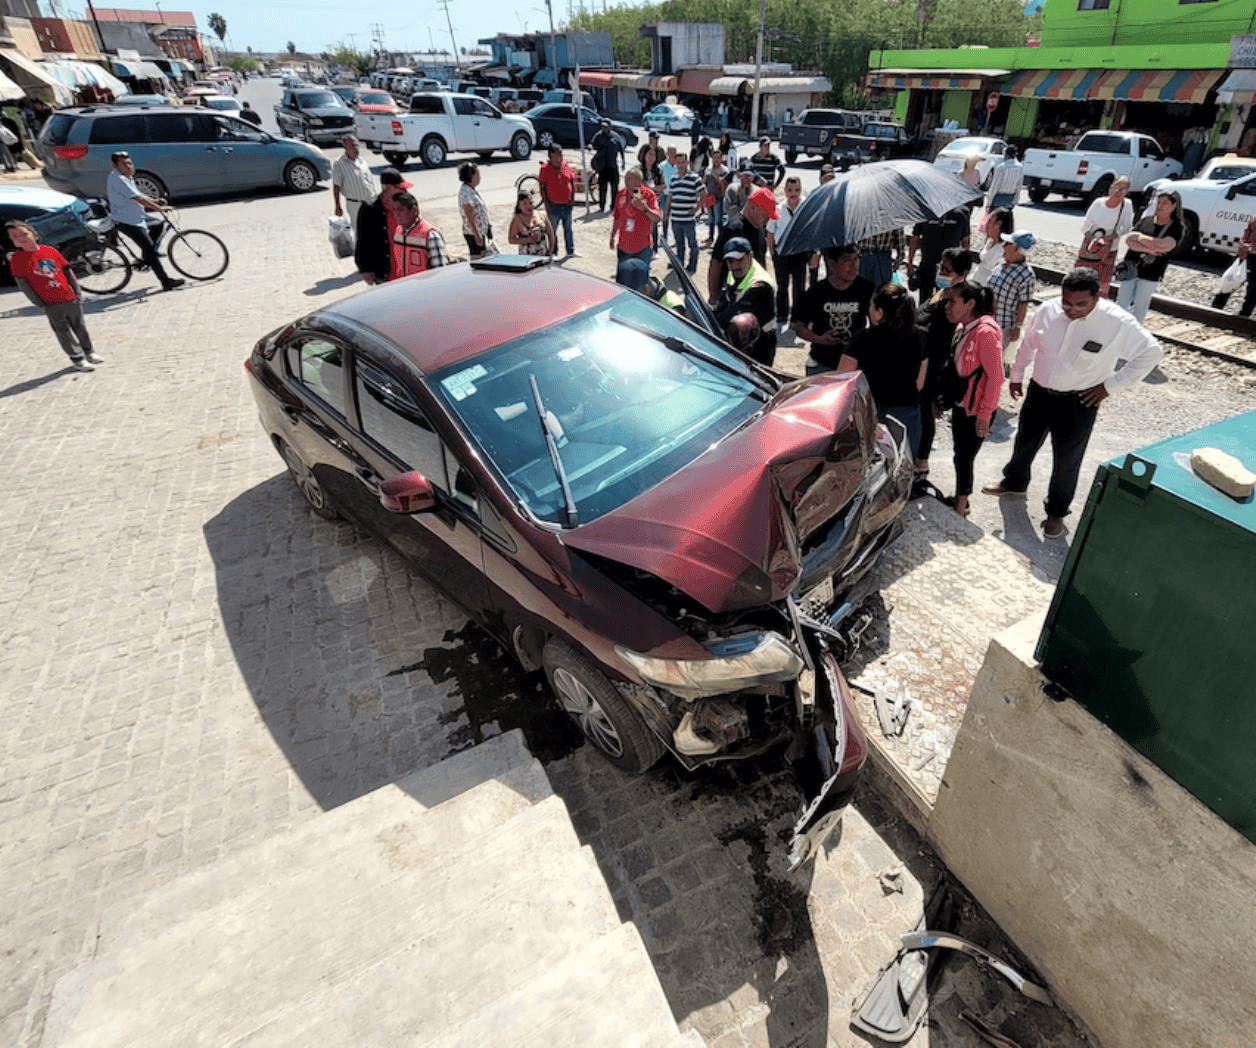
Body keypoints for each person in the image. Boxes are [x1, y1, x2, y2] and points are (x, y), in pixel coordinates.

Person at [984, 267, 1163, 538]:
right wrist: (1018, 375)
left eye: (1081, 304)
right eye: (1067, 302)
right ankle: (1014, 483)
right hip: (1039, 393)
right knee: (1025, 442)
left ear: (1098, 296)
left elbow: (1152, 353)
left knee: (1067, 461)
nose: (1072, 309)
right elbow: (1029, 343)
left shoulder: (1118, 322)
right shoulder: (1048, 310)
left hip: (1079, 401)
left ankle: (1056, 514)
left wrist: (1110, 386)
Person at [838, 281, 928, 457]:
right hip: (906, 416)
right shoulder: (921, 336)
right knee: (902, 470)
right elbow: (920, 383)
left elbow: (842, 380)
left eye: (872, 304)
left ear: (879, 312)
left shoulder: (863, 338)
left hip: (870, 415)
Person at [916, 247, 980, 475]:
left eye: (947, 269)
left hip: (935, 367)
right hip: (922, 362)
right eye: (941, 267)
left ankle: (921, 462)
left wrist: (941, 386)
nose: (941, 272)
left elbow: (951, 344)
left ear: (962, 274)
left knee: (925, 414)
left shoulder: (957, 301)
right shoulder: (941, 292)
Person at [6, 220, 102, 372]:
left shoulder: (49, 251)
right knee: (62, 331)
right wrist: (39, 303)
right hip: (50, 302)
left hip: (69, 297)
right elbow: (23, 284)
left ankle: (89, 352)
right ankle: (77, 358)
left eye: (24, 234)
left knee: (80, 326)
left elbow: (67, 271)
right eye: (15, 237)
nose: (21, 238)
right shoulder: (18, 260)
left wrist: (76, 291)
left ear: (34, 234)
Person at [942, 283, 1004, 517]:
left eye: (952, 301)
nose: (948, 306)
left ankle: (961, 505)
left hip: (975, 409)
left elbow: (996, 378)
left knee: (965, 456)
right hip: (962, 404)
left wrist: (984, 415)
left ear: (970, 304)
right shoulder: (963, 328)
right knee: (961, 454)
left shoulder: (986, 333)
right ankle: (961, 499)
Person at [105, 151, 184, 291]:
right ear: (115, 166)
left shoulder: (126, 177)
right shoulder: (118, 179)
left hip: (137, 217)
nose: (128, 166)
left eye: (129, 163)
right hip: (127, 221)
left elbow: (140, 195)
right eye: (123, 164)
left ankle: (146, 257)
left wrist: (155, 201)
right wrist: (159, 208)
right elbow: (139, 199)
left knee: (158, 225)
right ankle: (165, 282)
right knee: (150, 249)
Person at [794, 244, 874, 375]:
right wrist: (819, 339)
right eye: (846, 260)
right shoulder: (816, 292)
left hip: (855, 363)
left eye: (856, 259)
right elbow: (799, 327)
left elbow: (876, 323)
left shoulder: (867, 289)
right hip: (822, 363)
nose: (853, 266)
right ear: (832, 264)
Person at [1115, 189, 1183, 322]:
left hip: (1152, 272)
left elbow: (1164, 245)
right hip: (1131, 267)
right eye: (1159, 202)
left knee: (1140, 307)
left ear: (1174, 206)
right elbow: (1129, 241)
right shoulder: (1146, 220)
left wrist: (1139, 238)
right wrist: (1149, 249)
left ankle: (1134, 336)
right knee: (1121, 304)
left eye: (1165, 203)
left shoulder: (1177, 227)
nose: (1160, 205)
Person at [713, 236, 777, 365]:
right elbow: (723, 303)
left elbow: (733, 313)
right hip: (740, 339)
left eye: (739, 260)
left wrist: (712, 321)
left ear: (750, 256)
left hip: (760, 343)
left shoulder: (760, 284)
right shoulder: (734, 273)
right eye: (730, 261)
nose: (735, 265)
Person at [708, 185, 777, 301]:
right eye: (766, 214)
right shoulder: (733, 228)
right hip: (735, 297)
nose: (768, 220)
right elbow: (716, 264)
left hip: (754, 293)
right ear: (753, 207)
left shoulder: (759, 228)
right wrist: (713, 297)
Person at [1075, 177, 1133, 295]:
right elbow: (1085, 224)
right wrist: (1091, 238)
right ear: (1111, 187)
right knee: (1081, 281)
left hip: (1109, 250)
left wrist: (1114, 235)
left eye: (1123, 189)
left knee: (1103, 284)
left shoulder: (1126, 205)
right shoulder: (1099, 203)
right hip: (1090, 248)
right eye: (1117, 187)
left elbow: (1127, 226)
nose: (1118, 191)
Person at [355, 166, 412, 284]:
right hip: (385, 274)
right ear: (389, 188)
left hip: (408, 272)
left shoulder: (406, 204)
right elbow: (363, 240)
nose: (405, 192)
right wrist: (365, 270)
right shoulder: (369, 209)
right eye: (401, 189)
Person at [988, 230, 1038, 366]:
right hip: (987, 320)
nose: (1003, 245)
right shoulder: (1001, 265)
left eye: (1007, 244)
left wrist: (1017, 327)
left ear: (1016, 249)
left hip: (1003, 326)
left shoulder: (1026, 275)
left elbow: (1023, 304)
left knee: (993, 364)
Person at [766, 176, 808, 332]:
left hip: (799, 252)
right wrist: (773, 254)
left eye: (796, 190)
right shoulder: (777, 209)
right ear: (785, 191)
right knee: (782, 286)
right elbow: (770, 233)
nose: (793, 193)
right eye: (790, 190)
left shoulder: (806, 207)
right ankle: (782, 315)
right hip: (782, 253)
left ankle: (797, 318)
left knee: (799, 288)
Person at [609, 166, 661, 291]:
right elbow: (617, 217)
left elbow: (657, 218)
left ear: (639, 181)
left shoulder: (648, 195)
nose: (627, 182)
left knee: (640, 286)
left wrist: (644, 208)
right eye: (626, 178)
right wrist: (612, 236)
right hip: (624, 248)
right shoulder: (621, 193)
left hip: (641, 250)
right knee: (622, 285)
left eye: (631, 179)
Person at [907, 207, 969, 300]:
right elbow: (915, 238)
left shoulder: (961, 213)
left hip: (948, 269)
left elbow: (966, 242)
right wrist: (910, 263)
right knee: (926, 302)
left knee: (944, 301)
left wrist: (963, 269)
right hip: (929, 266)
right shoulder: (925, 211)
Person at [388, 191, 448, 277]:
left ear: (414, 211)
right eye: (394, 210)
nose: (396, 214)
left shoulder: (430, 236)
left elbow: (440, 272)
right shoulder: (398, 233)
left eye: (401, 210)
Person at [664, 151, 703, 274]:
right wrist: (666, 211)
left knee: (692, 244)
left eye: (683, 162)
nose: (680, 165)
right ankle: (679, 265)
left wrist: (697, 209)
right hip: (676, 218)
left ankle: (692, 266)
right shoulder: (673, 178)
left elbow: (704, 193)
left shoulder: (695, 178)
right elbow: (670, 196)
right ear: (676, 164)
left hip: (688, 219)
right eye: (678, 162)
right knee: (679, 244)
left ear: (687, 162)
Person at [1211, 213, 1256, 315]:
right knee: (1230, 280)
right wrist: (1244, 247)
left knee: (1252, 290)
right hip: (1246, 255)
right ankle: (1215, 309)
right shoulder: (1254, 218)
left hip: (1250, 254)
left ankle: (1244, 315)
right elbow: (1246, 234)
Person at [331, 135, 378, 229]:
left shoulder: (362, 162)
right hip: (355, 205)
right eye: (352, 146)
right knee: (359, 232)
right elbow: (336, 185)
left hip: (371, 202)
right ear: (345, 147)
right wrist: (337, 205)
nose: (356, 148)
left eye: (356, 145)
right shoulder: (339, 163)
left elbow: (369, 183)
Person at [538, 144, 576, 257]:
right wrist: (546, 204)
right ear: (551, 155)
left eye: (561, 153)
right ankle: (554, 252)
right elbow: (542, 187)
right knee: (552, 231)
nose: (561, 156)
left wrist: (573, 198)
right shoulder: (545, 169)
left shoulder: (566, 167)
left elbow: (572, 182)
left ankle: (570, 251)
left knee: (568, 229)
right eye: (558, 153)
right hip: (553, 205)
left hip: (567, 205)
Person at [457, 161, 495, 259]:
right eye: (478, 175)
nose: (480, 178)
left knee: (483, 257)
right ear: (471, 176)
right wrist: (477, 234)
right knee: (478, 260)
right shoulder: (465, 192)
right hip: (473, 234)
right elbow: (469, 213)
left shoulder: (470, 189)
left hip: (479, 232)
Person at [971, 208, 1013, 285]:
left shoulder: (1004, 248)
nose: (986, 223)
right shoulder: (990, 241)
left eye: (990, 221)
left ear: (998, 224)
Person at [590, 119, 625, 211]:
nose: (603, 128)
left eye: (605, 127)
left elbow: (621, 149)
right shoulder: (598, 136)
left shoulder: (615, 136)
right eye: (602, 127)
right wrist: (592, 148)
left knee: (614, 188)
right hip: (602, 167)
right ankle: (601, 206)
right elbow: (592, 144)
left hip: (613, 166)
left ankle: (613, 206)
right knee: (602, 188)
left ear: (610, 127)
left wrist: (623, 162)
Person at [509, 189, 556, 256]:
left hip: (543, 255)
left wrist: (550, 250)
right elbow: (511, 239)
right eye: (525, 204)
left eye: (530, 203)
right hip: (526, 257)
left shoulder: (541, 214)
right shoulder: (517, 219)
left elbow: (550, 234)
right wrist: (528, 240)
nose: (529, 206)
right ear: (519, 206)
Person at [985, 145, 1023, 213]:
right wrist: (1015, 201)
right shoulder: (1020, 167)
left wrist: (988, 202)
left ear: (1006, 154)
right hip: (1010, 199)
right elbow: (1019, 186)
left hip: (998, 198)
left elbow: (995, 186)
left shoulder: (1002, 167)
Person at [703, 149, 729, 245]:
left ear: (721, 159)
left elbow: (725, 186)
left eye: (718, 158)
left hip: (719, 198)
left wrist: (716, 176)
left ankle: (720, 239)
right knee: (710, 219)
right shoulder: (708, 169)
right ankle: (710, 237)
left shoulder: (725, 170)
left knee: (718, 220)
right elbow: (704, 183)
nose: (716, 160)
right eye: (715, 158)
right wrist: (705, 193)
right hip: (709, 198)